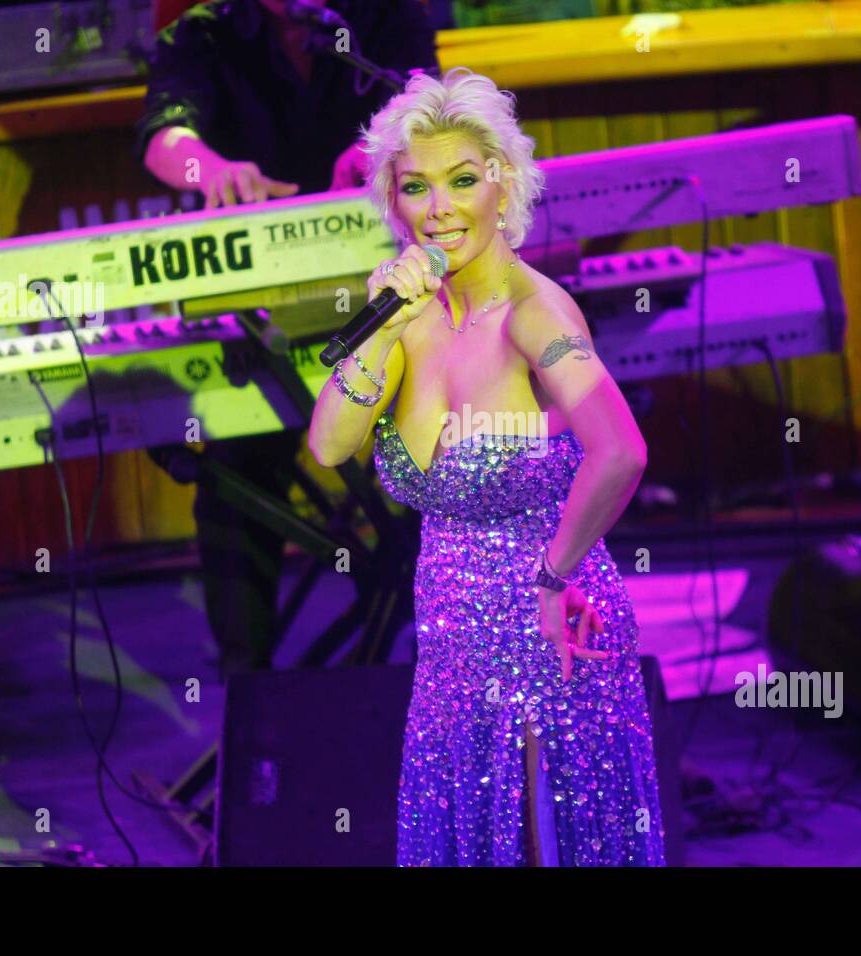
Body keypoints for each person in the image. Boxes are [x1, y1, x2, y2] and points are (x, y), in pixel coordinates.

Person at [308, 68, 666, 866]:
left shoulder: (535, 315)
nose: (438, 209)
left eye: (462, 181)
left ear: (503, 187)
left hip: (550, 621)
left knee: (544, 847)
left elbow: (621, 451)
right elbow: (331, 445)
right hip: (448, 633)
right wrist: (378, 329)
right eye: (415, 187)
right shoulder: (408, 318)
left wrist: (550, 576)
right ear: (391, 201)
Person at [134, 0, 437, 678]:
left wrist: (376, 155)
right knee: (239, 467)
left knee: (445, 441)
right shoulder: (203, 30)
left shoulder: (387, 14)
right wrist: (209, 172)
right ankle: (251, 700)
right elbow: (165, 132)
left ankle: (448, 683)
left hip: (386, 284)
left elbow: (427, 100)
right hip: (258, 299)